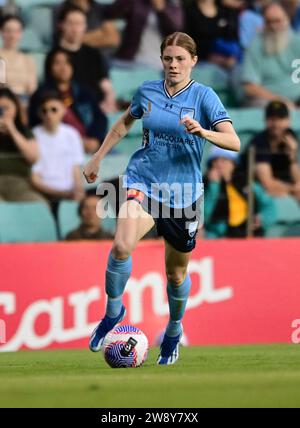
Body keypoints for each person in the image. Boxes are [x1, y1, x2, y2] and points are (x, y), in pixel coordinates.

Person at [83, 32, 240, 365]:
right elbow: (125, 122)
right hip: (143, 181)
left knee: (176, 275)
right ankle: (113, 312)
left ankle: (173, 330)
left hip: (183, 195)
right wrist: (98, 156)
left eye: (180, 58)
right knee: (122, 245)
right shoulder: (148, 91)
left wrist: (203, 131)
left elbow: (234, 142)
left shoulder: (204, 97)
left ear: (193, 62)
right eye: (168, 58)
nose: (173, 64)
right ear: (162, 60)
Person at [29, 48, 107, 154]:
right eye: (57, 63)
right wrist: (73, 142)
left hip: (89, 144)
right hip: (58, 147)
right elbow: (36, 125)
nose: (63, 67)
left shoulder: (84, 92)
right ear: (49, 67)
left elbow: (100, 118)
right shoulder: (40, 96)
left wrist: (95, 139)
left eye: (67, 62)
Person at [31, 92, 85, 217]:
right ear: (39, 113)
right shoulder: (33, 136)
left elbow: (76, 170)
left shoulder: (72, 134)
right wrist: (63, 194)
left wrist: (78, 191)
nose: (49, 114)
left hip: (70, 194)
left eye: (53, 109)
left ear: (63, 110)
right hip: (45, 195)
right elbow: (35, 179)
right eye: (44, 111)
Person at [204, 146, 277, 238]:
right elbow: (204, 215)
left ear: (233, 164)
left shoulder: (247, 183)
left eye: (224, 160)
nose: (219, 164)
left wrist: (262, 219)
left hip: (249, 234)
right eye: (215, 161)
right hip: (219, 236)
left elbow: (268, 205)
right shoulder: (205, 185)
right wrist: (213, 187)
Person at [57, 5, 117, 113]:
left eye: (79, 24)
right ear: (61, 25)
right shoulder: (55, 56)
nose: (75, 29)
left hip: (98, 107)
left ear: (85, 26)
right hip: (71, 107)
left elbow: (105, 84)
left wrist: (109, 100)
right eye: (71, 23)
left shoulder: (93, 53)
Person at [241, 2, 300, 108]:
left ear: (288, 20)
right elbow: (249, 87)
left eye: (277, 21)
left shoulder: (297, 42)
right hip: (269, 101)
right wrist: (281, 101)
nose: (273, 26)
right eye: (269, 22)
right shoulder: (256, 45)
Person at [102, 0, 184, 69]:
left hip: (158, 62)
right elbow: (109, 13)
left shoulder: (172, 5)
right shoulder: (136, 2)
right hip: (130, 59)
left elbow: (175, 30)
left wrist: (161, 10)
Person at [247, 100, 300, 201]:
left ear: (288, 121)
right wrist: (293, 189)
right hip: (254, 188)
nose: (276, 123)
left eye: (280, 118)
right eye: (272, 119)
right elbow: (267, 183)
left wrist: (292, 155)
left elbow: (297, 179)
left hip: (281, 185)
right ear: (265, 120)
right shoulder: (259, 142)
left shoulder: (290, 138)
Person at [0, 87, 43, 202]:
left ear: (16, 108)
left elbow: (34, 157)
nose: (3, 113)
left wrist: (12, 130)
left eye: (6, 108)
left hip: (21, 184)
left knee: (37, 204)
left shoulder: (24, 131)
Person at [0, 15, 37, 105]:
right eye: (8, 31)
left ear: (21, 33)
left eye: (16, 31)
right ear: (1, 32)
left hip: (24, 102)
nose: (12, 35)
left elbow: (32, 89)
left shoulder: (28, 60)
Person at [53, 0, 120, 49]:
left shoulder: (99, 8)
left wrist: (80, 38)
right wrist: (99, 34)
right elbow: (64, 41)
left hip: (102, 59)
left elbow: (114, 39)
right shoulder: (60, 9)